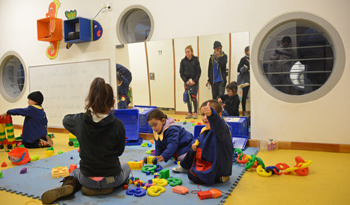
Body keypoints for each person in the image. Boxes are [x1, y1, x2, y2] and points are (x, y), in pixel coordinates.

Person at [41, 78, 130, 204]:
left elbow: (65, 120)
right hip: (112, 179)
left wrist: (86, 114)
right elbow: (119, 152)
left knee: (74, 172)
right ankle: (108, 188)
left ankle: (71, 186)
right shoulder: (118, 125)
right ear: (113, 102)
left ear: (91, 101)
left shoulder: (80, 120)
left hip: (87, 179)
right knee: (126, 167)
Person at [172, 100, 234, 185]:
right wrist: (194, 145)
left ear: (219, 115)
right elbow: (200, 139)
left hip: (218, 164)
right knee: (191, 150)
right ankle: (185, 166)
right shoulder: (205, 129)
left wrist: (212, 116)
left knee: (192, 175)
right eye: (203, 114)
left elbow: (218, 125)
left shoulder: (222, 129)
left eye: (208, 114)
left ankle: (220, 178)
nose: (205, 117)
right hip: (207, 158)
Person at [180, 45, 201, 119]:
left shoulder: (196, 60)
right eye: (186, 52)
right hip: (187, 82)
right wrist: (186, 81)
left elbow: (199, 72)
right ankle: (189, 112)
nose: (187, 53)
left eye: (188, 52)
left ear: (192, 52)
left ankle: (195, 112)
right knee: (188, 97)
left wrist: (195, 81)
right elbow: (181, 73)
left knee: (194, 97)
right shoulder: (183, 61)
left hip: (194, 82)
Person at [237, 46, 250, 116]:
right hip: (246, 81)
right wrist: (247, 69)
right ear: (246, 52)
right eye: (248, 51)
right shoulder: (243, 59)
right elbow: (238, 69)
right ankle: (244, 111)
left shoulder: (254, 58)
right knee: (244, 96)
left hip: (253, 81)